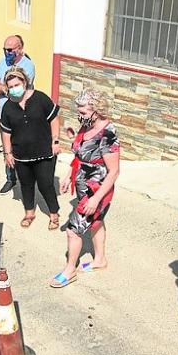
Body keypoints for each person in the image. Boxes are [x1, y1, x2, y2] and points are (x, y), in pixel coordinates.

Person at [50, 89, 121, 289]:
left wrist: (95, 199)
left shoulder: (108, 133)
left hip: (97, 190)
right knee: (96, 222)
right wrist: (68, 177)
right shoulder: (86, 125)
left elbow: (114, 171)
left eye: (82, 110)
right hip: (83, 185)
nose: (79, 114)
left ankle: (70, 270)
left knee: (73, 231)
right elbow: (80, 155)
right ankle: (100, 260)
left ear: (96, 110)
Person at [0, 66, 62, 230]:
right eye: (10, 87)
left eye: (16, 85)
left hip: (44, 153)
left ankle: (54, 214)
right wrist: (8, 153)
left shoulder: (40, 98)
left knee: (45, 184)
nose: (14, 89)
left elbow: (54, 119)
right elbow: (6, 132)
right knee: (25, 184)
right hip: (21, 155)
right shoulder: (7, 107)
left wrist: (55, 140)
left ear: (24, 82)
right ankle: (29, 212)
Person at [0, 35, 35, 195]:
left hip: (20, 116)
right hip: (3, 115)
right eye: (4, 49)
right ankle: (10, 179)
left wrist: (5, 87)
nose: (6, 53)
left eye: (9, 50)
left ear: (19, 49)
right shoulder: (2, 62)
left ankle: (27, 179)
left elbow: (20, 92)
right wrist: (7, 88)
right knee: (7, 149)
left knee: (22, 148)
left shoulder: (28, 66)